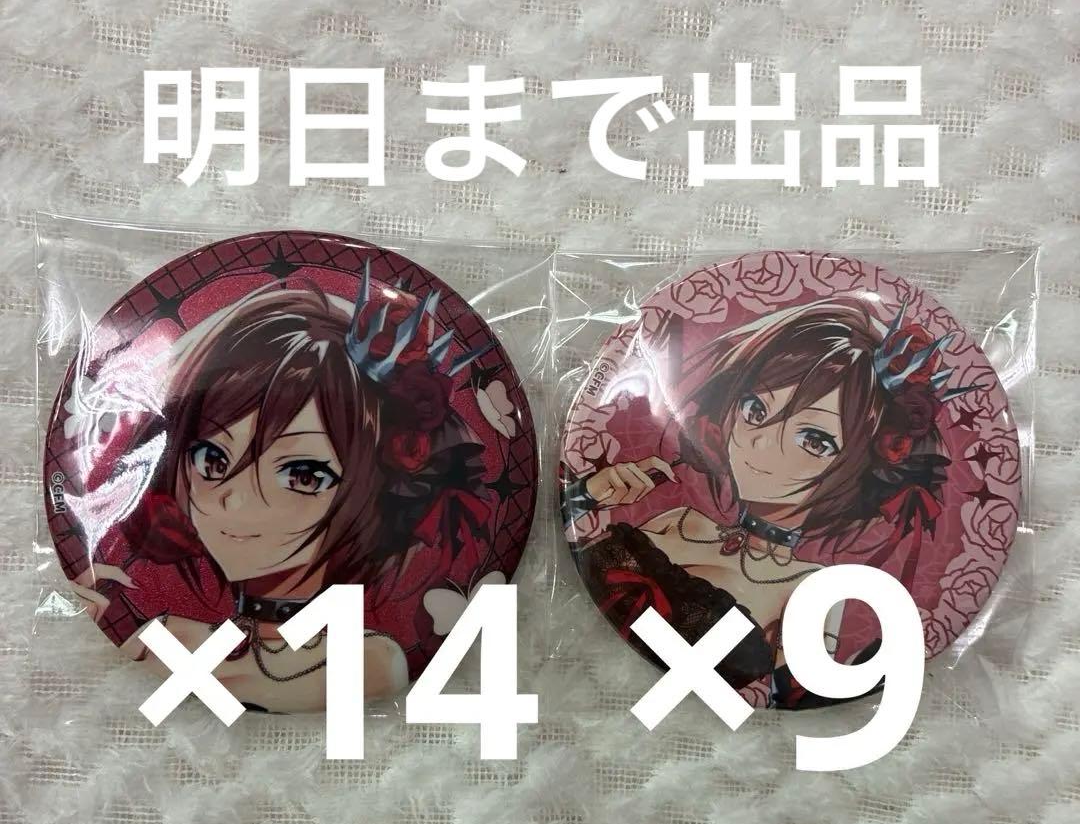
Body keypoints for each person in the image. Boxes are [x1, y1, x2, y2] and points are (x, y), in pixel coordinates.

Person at [67, 267, 492, 711]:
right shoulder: (167, 639)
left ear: (377, 492)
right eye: (212, 460)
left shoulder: (369, 663)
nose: (233, 499)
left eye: (302, 475)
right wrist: (98, 628)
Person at [563, 297, 973, 708]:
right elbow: (572, 567)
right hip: (571, 677)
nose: (759, 444)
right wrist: (588, 494)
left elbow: (798, 701)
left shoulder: (811, 591)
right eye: (755, 409)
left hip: (675, 716)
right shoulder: (680, 521)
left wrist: (882, 665)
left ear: (860, 470)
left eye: (814, 440)